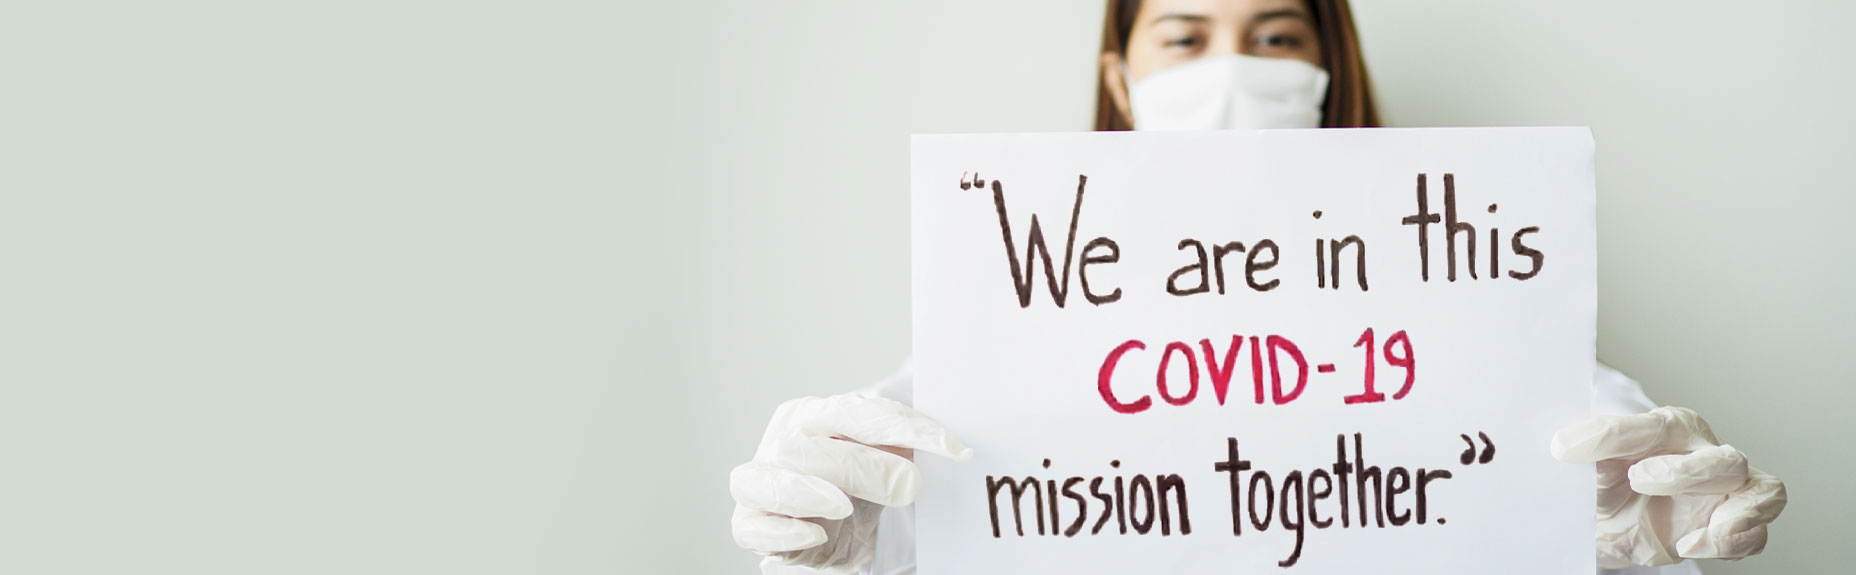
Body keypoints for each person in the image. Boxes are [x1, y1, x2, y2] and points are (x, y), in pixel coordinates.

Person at [727, 1, 1788, 574]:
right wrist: (840, 554)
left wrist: (1641, 545)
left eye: (1277, 36)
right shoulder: (983, 357)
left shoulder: (1496, 334)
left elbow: (1597, 492)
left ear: (1332, 72)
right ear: (1121, 81)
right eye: (1184, 36)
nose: (1232, 69)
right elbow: (934, 512)